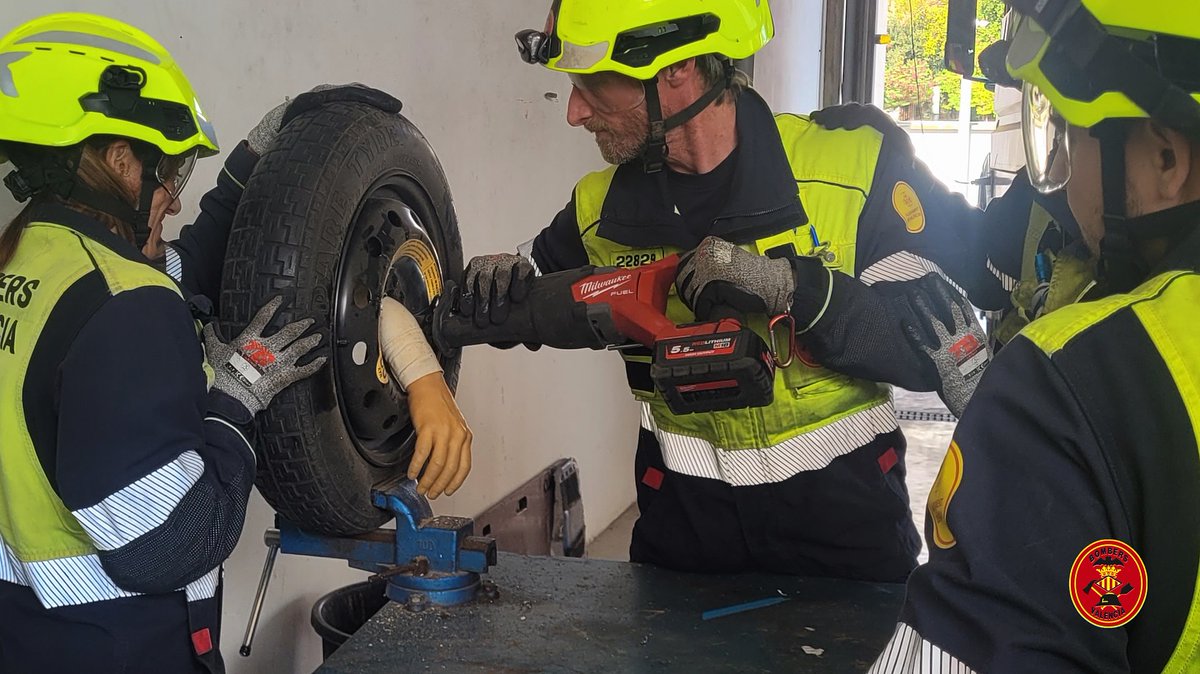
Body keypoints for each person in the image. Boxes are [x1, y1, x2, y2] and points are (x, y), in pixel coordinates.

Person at [458, 0, 993, 581]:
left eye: (593, 82)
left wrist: (795, 289)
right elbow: (533, 285)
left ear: (675, 70)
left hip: (846, 535)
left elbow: (942, 354)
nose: (574, 111)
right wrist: (499, 276)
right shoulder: (597, 207)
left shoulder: (850, 168)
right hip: (682, 538)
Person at [0, 14, 462, 673]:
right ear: (117, 157)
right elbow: (171, 545)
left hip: (27, 637)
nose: (175, 200)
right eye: (168, 173)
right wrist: (235, 402)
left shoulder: (34, 266)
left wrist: (260, 151)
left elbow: (189, 262)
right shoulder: (127, 307)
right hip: (124, 648)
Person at [869, 1, 1200, 671]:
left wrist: (1028, 421)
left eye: (1065, 132)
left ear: (1168, 156)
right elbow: (981, 252)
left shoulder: (1082, 380)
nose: (1055, 177)